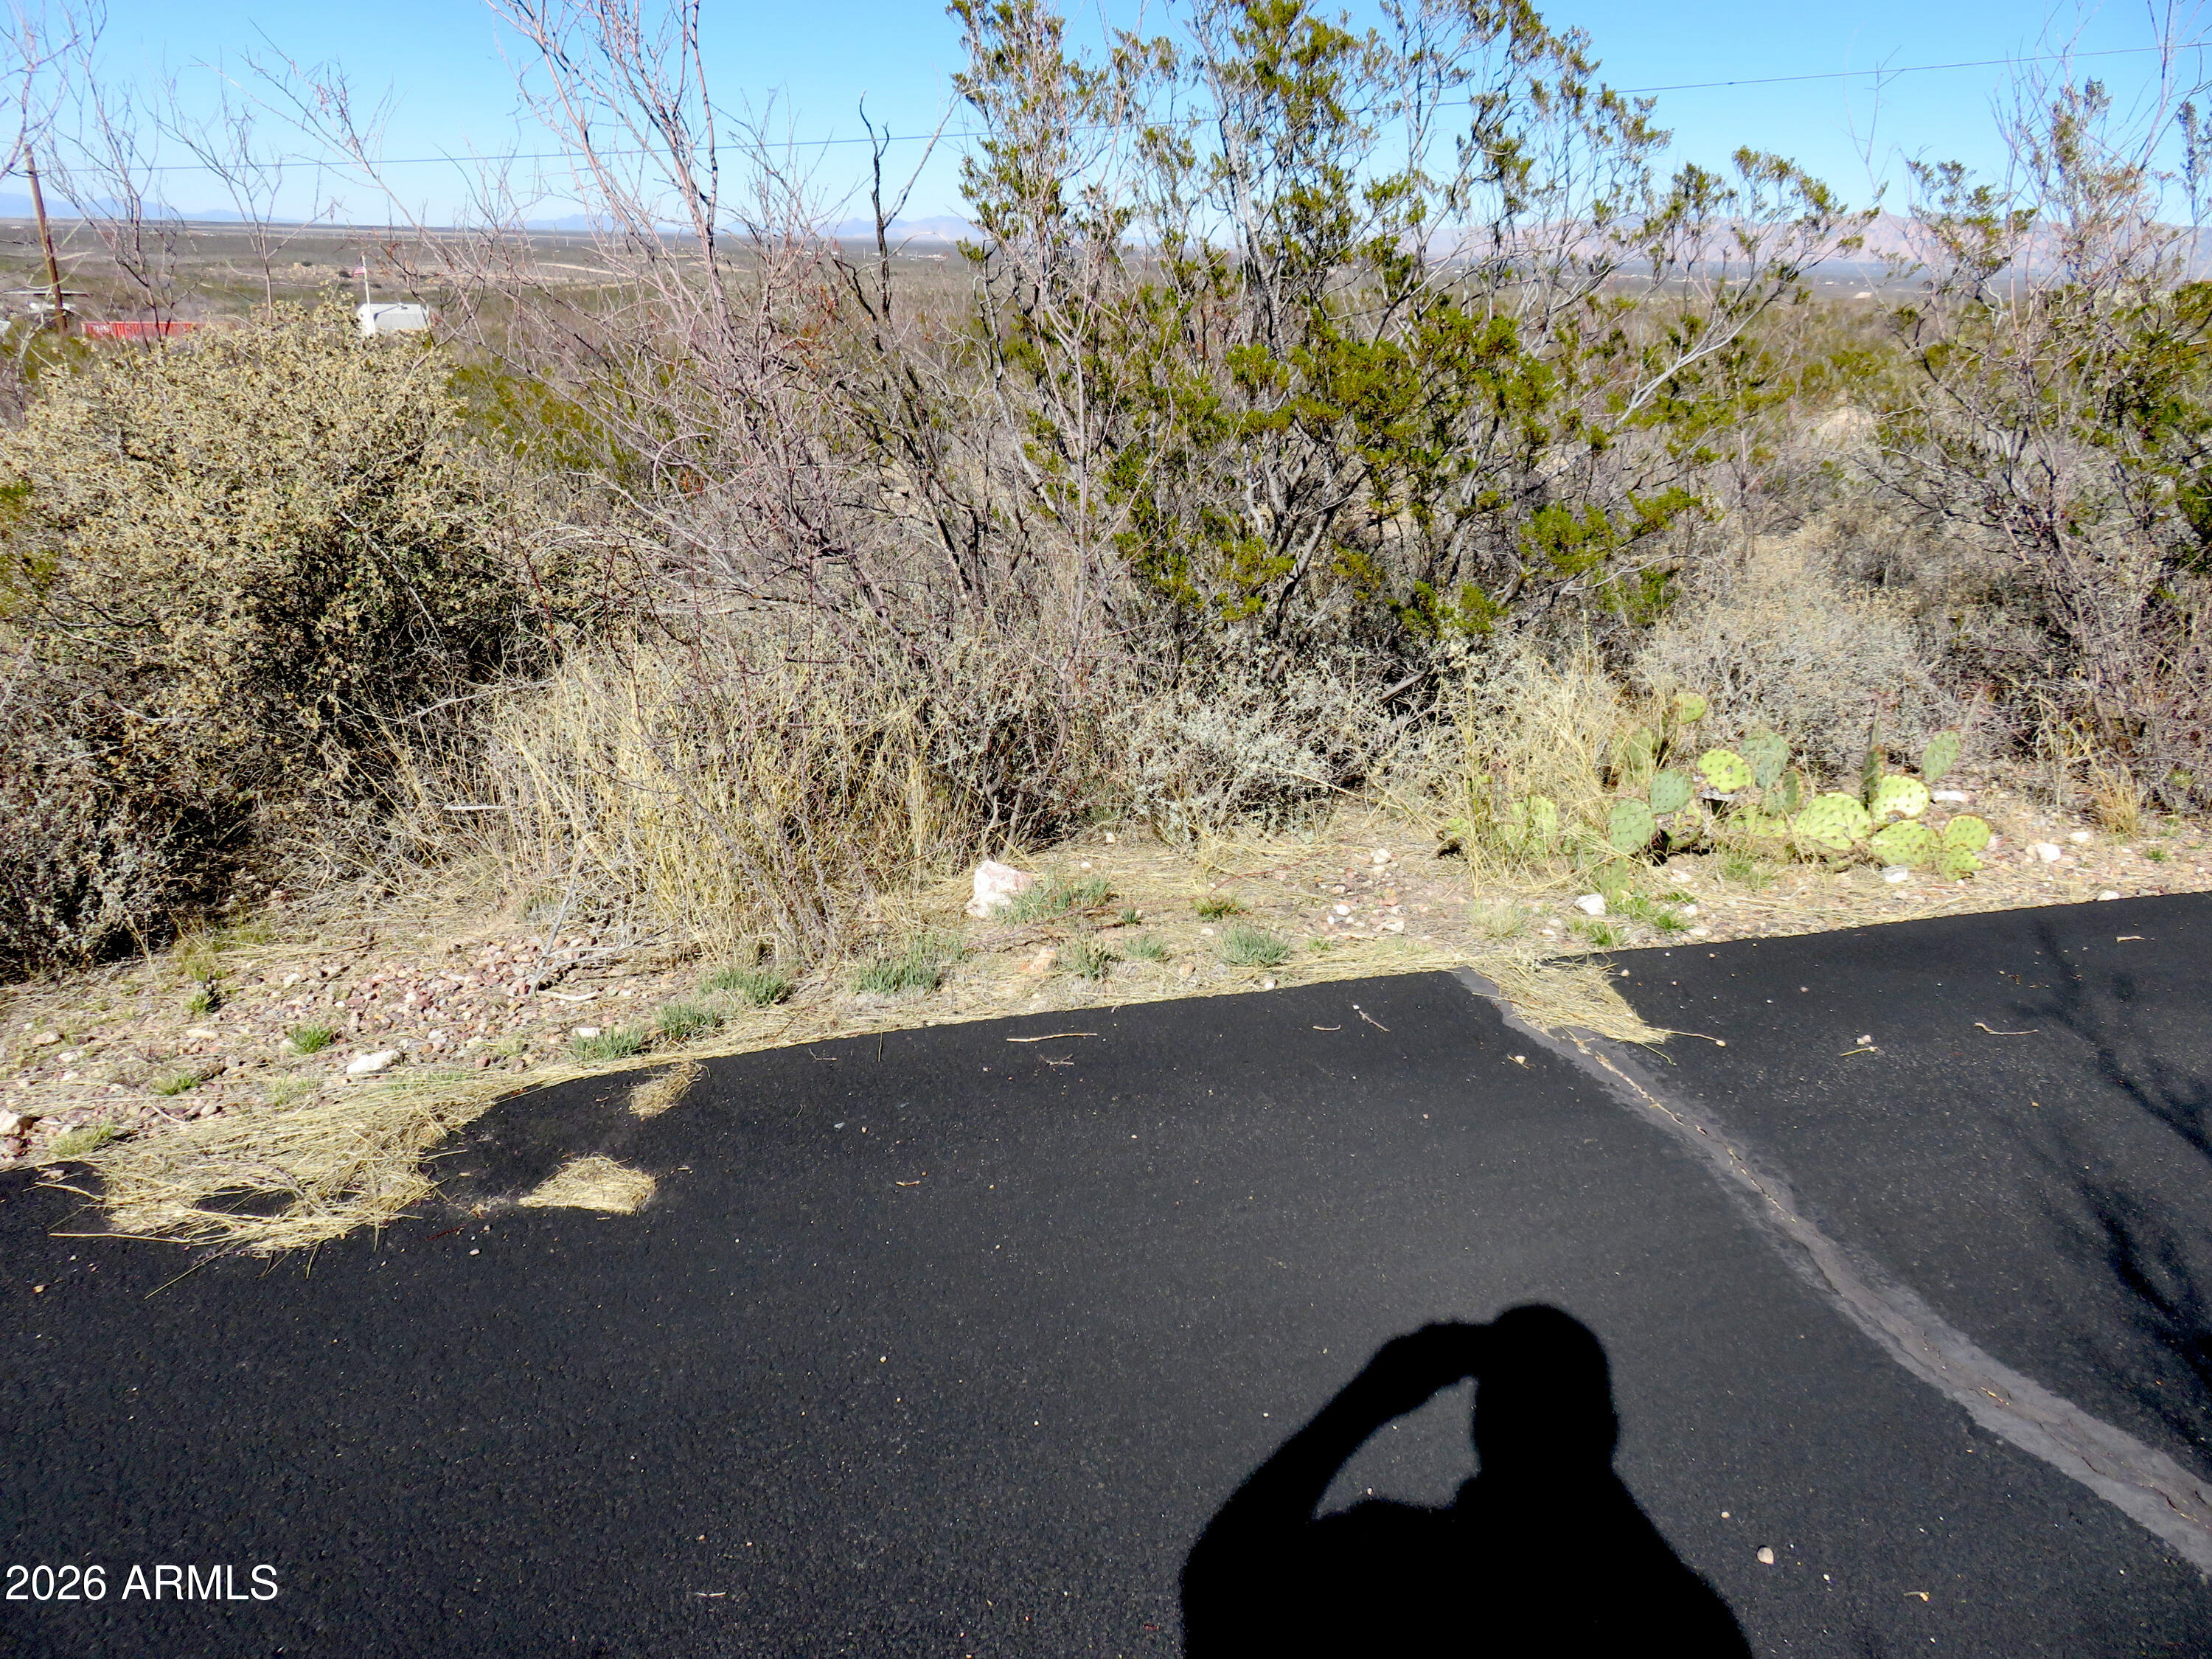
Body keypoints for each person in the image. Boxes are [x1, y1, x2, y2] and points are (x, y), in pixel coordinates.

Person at [1182, 1307, 1751, 1657]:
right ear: (1606, 1429)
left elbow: (1222, 1589)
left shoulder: (1393, 1565)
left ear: (1483, 1426)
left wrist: (1368, 1399)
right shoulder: (1678, 1622)